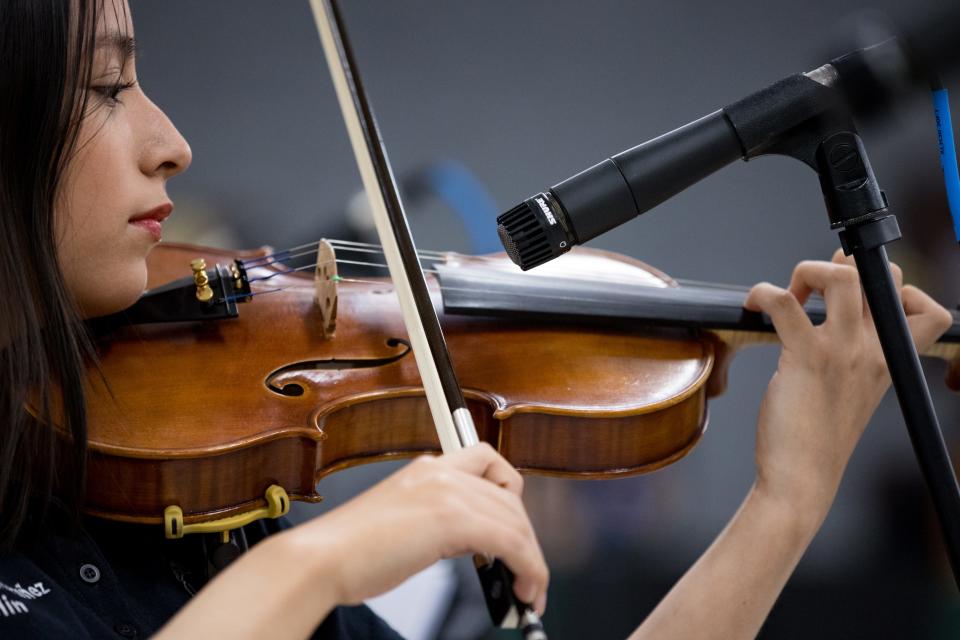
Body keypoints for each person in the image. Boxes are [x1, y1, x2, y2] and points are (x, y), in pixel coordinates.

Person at [0, 1, 952, 639]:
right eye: (107, 87)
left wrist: (787, 502)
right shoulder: (266, 562)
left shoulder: (193, 523)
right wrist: (324, 559)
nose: (171, 143)